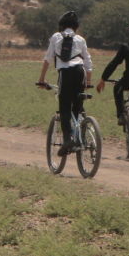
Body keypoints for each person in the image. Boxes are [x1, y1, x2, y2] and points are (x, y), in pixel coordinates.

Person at [37, 11, 93, 156]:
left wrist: (42, 80)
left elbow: (47, 59)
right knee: (77, 104)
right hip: (80, 72)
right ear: (76, 27)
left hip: (65, 73)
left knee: (64, 106)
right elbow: (88, 62)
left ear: (61, 26)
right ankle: (79, 138)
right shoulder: (80, 39)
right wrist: (88, 81)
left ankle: (68, 140)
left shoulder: (56, 37)